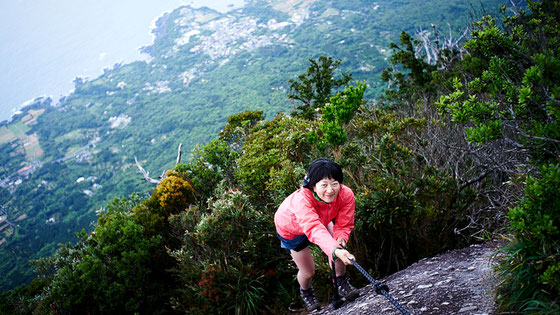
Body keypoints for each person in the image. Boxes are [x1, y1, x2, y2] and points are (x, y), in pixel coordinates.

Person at [274, 158, 359, 312]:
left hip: (320, 219)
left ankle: (341, 282)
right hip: (291, 229)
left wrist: (340, 241)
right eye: (324, 185)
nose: (330, 190)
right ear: (313, 186)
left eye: (335, 183)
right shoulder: (302, 200)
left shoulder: (345, 194)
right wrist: (334, 249)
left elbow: (344, 223)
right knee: (308, 271)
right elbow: (313, 228)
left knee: (339, 246)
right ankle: (306, 291)